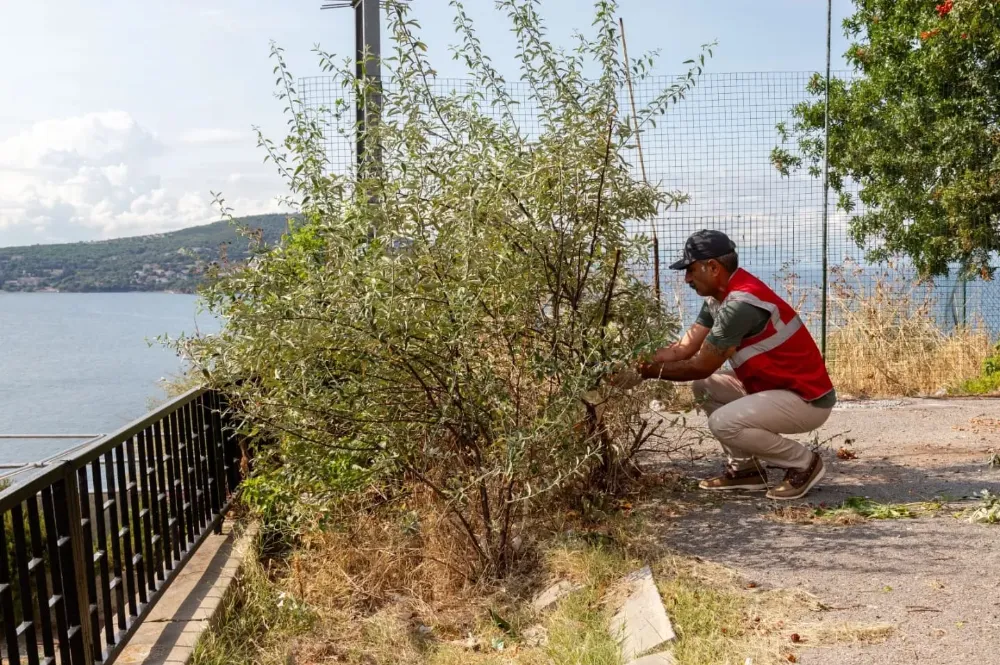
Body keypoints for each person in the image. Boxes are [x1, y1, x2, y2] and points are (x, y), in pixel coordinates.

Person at [628, 229, 836, 500]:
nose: (687, 278)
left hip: (806, 401)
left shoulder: (739, 305)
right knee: (705, 387)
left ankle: (803, 463)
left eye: (690, 270)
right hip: (775, 390)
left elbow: (701, 364)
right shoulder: (720, 297)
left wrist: (645, 373)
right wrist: (634, 361)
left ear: (712, 267)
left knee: (722, 422)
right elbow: (684, 348)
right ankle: (745, 470)